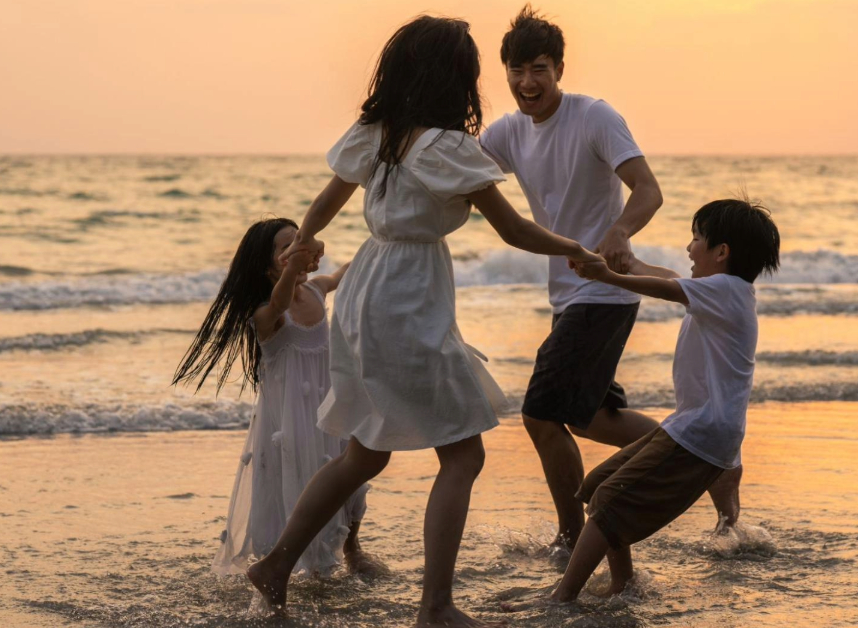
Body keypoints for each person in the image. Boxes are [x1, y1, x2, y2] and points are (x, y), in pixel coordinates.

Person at [244, 15, 602, 628]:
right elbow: (513, 229)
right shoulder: (448, 148)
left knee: (364, 453)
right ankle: (435, 607)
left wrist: (304, 243)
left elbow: (327, 202)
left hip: (365, 294)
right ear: (456, 78)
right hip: (408, 297)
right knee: (462, 456)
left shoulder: (377, 132)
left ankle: (275, 566)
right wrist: (577, 248)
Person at [478, 6, 668, 557]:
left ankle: (569, 536)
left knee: (540, 413)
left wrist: (620, 233)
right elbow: (458, 174)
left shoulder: (594, 117)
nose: (526, 83)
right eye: (516, 70)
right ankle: (699, 454)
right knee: (590, 417)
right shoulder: (509, 132)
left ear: (560, 68)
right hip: (567, 295)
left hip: (604, 289)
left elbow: (647, 189)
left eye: (539, 68)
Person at [527, 198, 780, 604]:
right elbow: (665, 276)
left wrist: (608, 276)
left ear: (721, 252)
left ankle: (562, 596)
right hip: (692, 426)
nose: (688, 247)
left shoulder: (725, 291)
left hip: (701, 434)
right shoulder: (725, 291)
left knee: (609, 501)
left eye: (696, 238)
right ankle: (623, 585)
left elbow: (664, 287)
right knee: (596, 487)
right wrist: (622, 262)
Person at [172, 218, 385, 578]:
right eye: (288, 247)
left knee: (351, 477)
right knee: (302, 482)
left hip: (331, 404)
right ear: (266, 263)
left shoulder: (317, 290)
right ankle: (299, 563)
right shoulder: (265, 313)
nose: (300, 249)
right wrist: (294, 267)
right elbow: (280, 297)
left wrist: (381, 241)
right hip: (291, 420)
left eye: (301, 240)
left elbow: (344, 275)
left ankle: (352, 547)